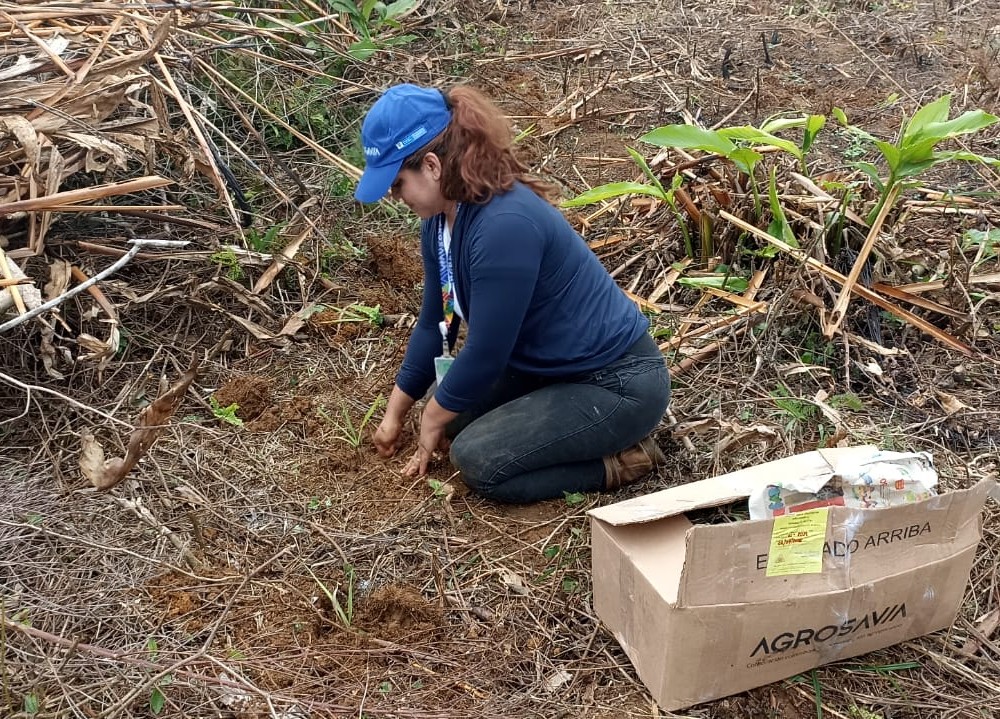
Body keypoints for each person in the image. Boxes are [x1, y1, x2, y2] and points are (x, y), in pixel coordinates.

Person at [354, 83, 671, 504]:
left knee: (479, 460)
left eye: (397, 184)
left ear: (431, 166)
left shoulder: (503, 225)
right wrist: (397, 413)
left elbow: (486, 353)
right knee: (450, 415)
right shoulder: (439, 223)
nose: (396, 198)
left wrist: (429, 418)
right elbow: (438, 321)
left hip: (614, 384)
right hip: (544, 368)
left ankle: (622, 460)